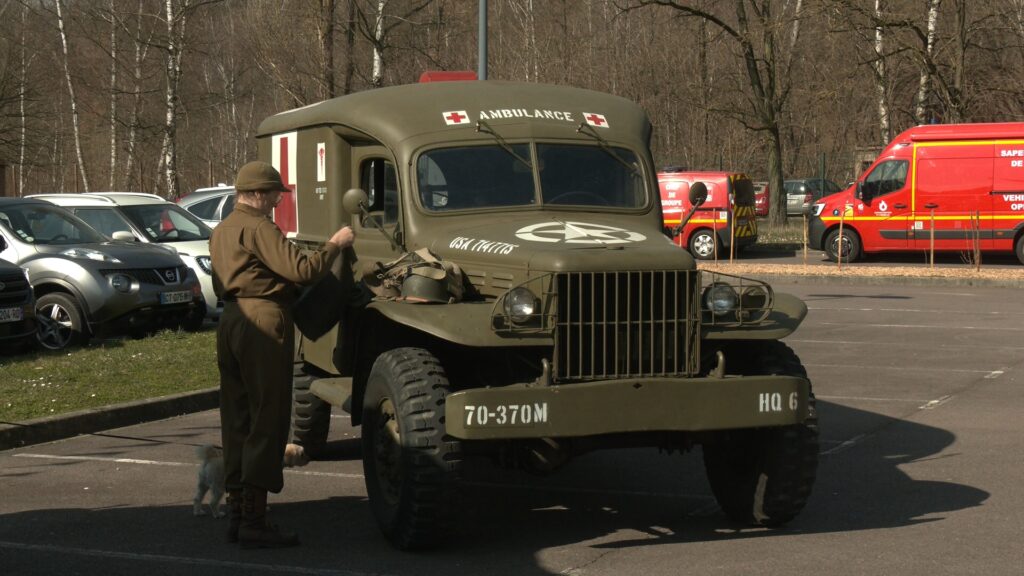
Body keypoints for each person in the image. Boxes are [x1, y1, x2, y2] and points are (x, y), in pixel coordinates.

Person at [210, 160, 355, 549]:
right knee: (268, 418)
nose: (278, 199)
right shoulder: (259, 227)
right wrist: (335, 245)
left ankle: (238, 512)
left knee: (237, 417)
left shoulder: (222, 229)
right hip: (263, 321)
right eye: (275, 193)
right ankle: (255, 521)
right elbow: (301, 270)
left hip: (231, 321)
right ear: (258, 193)